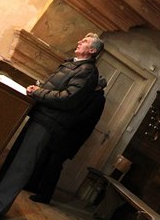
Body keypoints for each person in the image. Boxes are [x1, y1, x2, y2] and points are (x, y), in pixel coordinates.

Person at [0, 33, 104, 220]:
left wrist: (39, 92)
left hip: (48, 122)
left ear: (92, 50)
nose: (79, 41)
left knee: (22, 165)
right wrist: (39, 90)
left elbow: (68, 98)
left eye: (84, 42)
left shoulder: (87, 71)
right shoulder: (72, 64)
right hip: (40, 116)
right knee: (13, 159)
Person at [25, 75, 108, 204]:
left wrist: (64, 119)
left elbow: (83, 117)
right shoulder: (89, 94)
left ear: (98, 86)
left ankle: (44, 195)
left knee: (54, 165)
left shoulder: (98, 99)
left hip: (70, 137)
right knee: (44, 158)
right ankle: (32, 185)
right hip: (61, 132)